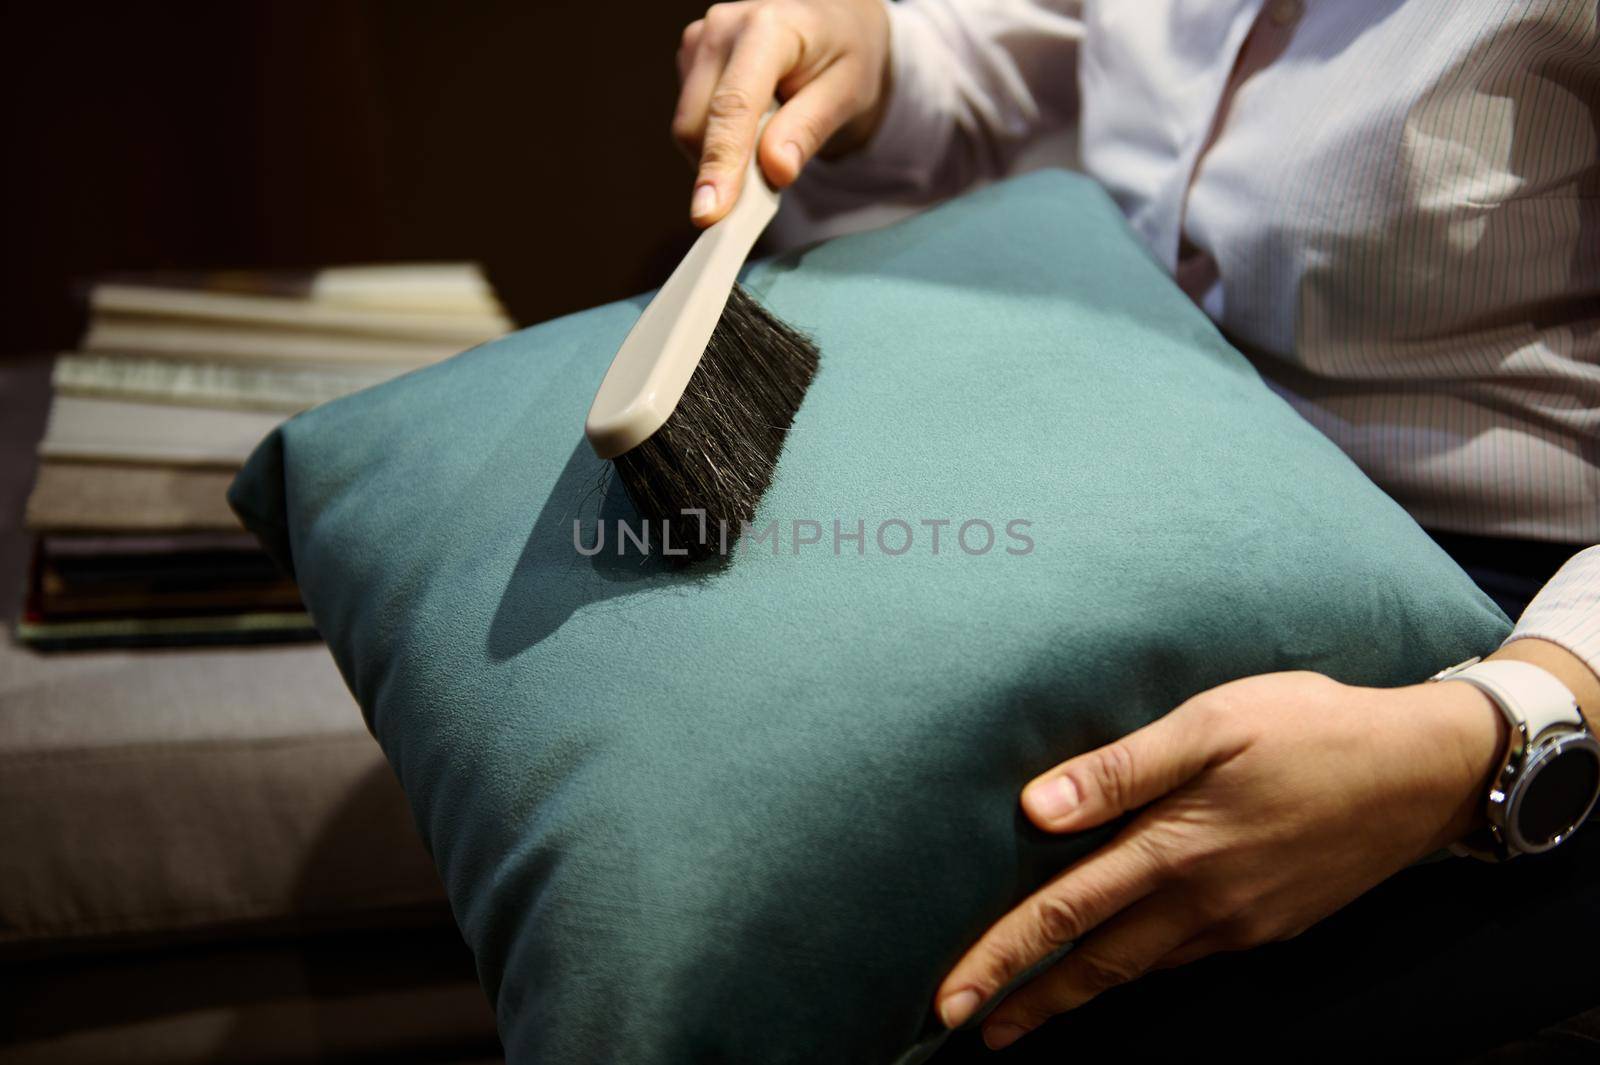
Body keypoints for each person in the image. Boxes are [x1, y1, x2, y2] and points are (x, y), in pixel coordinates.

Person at [672, 0, 1600, 1053]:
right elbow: (1037, 45)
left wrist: (1485, 734)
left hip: (1496, 621)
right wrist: (884, 52)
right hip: (1148, 450)